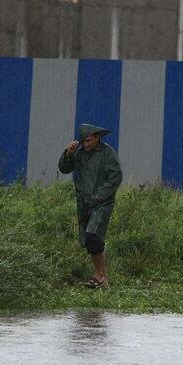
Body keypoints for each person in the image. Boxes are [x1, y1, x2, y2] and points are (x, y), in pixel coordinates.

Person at [58, 123, 123, 289]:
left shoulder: (108, 153)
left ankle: (99, 275)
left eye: (88, 141)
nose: (85, 144)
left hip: (102, 203)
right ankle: (102, 277)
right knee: (89, 239)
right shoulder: (78, 153)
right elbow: (64, 169)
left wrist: (99, 196)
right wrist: (68, 154)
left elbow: (116, 177)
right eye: (83, 141)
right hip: (84, 203)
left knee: (93, 236)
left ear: (97, 137)